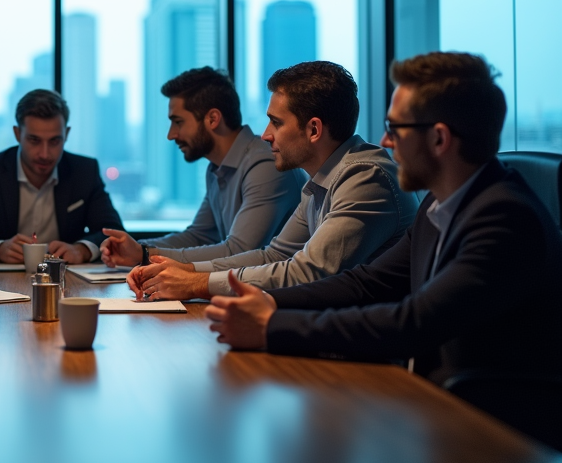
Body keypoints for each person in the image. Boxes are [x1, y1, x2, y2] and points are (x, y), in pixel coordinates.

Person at [205, 51, 562, 388]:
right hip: (434, 401)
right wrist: (273, 303)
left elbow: (414, 322)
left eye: (396, 127)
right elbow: (366, 284)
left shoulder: (504, 218)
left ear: (439, 138)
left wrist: (272, 326)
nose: (385, 140)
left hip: (489, 423)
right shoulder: (439, 205)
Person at [128, 61, 417, 301]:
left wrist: (196, 283)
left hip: (374, 356)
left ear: (314, 129)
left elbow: (308, 273)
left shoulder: (365, 176)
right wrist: (185, 270)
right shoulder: (321, 179)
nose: (266, 134)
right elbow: (275, 254)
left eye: (276, 122)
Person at [100, 67, 304, 268]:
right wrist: (136, 248)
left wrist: (146, 254)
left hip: (280, 298)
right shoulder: (217, 168)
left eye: (178, 122)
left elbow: (239, 251)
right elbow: (199, 235)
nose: (171, 135)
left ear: (213, 119)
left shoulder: (265, 163)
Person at [0, 89, 124, 264]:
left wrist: (82, 250)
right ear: (18, 134)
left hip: (67, 282)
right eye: (34, 140)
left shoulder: (84, 171)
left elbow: (114, 233)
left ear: (66, 135)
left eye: (54, 141)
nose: (44, 153)